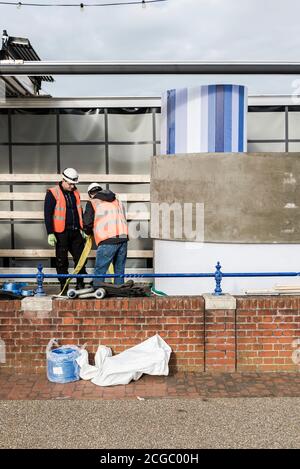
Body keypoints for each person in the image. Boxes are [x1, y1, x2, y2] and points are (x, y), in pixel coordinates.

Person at [44, 167, 88, 291]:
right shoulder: (53, 193)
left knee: (81, 259)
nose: (72, 186)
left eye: (74, 184)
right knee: (62, 261)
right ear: (63, 180)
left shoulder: (75, 192)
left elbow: (79, 211)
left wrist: (83, 228)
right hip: (60, 233)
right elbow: (47, 214)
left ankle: (80, 283)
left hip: (75, 232)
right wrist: (50, 233)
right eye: (70, 184)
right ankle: (64, 286)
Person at [83, 183, 128, 287]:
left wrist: (87, 232)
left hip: (107, 240)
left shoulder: (93, 202)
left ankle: (97, 293)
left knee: (100, 271)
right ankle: (119, 295)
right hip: (123, 238)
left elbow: (87, 223)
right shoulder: (117, 200)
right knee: (119, 271)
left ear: (90, 194)